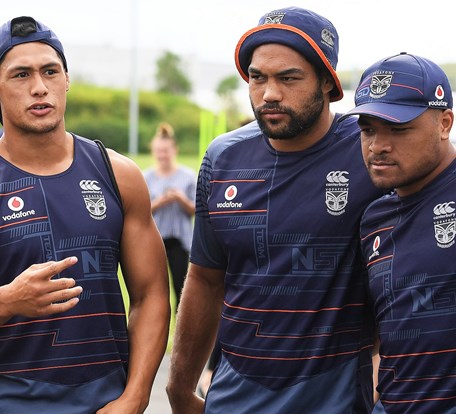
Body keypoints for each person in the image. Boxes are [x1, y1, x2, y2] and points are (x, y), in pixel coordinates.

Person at [0, 16, 171, 413]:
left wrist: (135, 397)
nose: (39, 87)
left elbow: (151, 294)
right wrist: (7, 300)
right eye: (20, 75)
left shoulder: (119, 175)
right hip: (9, 402)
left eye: (50, 71)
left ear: (67, 78)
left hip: (104, 401)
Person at [165, 7, 383, 413]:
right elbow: (206, 279)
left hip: (338, 397)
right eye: (257, 77)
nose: (269, 94)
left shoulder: (369, 148)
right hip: (235, 396)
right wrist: (179, 387)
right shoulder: (223, 158)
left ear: (327, 83)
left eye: (289, 78)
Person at [345, 53, 456, 414]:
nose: (378, 145)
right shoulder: (374, 218)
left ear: (444, 123)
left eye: (398, 129)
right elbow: (385, 340)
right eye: (368, 129)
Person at [143, 122, 196, 310]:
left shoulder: (188, 177)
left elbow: (195, 211)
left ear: (174, 150)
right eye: (158, 151)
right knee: (154, 288)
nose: (162, 155)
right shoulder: (146, 177)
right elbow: (140, 211)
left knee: (181, 288)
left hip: (179, 241)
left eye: (165, 151)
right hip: (155, 240)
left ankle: (179, 324)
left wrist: (181, 199)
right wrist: (160, 201)